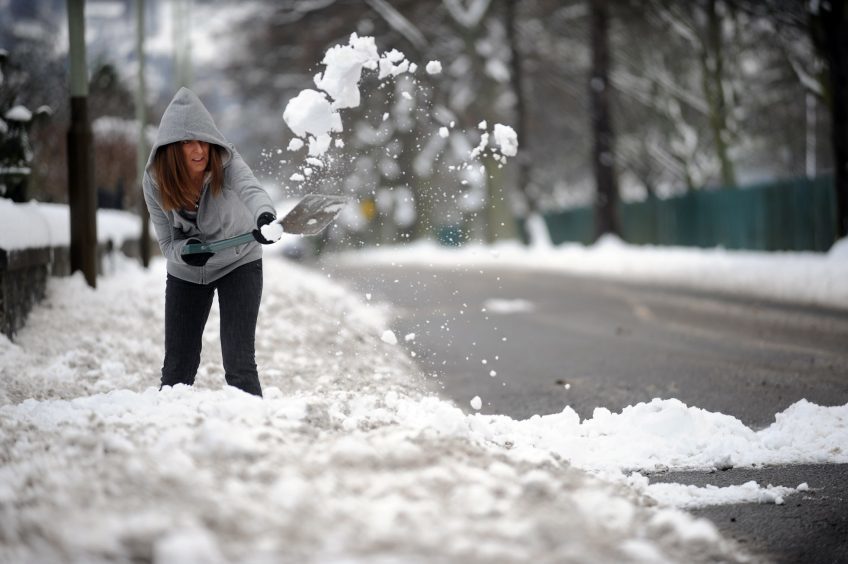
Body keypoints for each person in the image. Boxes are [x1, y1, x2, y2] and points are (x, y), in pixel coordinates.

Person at [142, 87, 278, 397]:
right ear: (171, 148)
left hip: (238, 260)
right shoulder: (154, 181)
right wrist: (184, 254)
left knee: (239, 364)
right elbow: (166, 243)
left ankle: (253, 430)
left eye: (203, 139)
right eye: (188, 142)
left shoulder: (225, 161)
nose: (199, 150)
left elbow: (252, 190)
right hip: (187, 271)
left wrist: (265, 217)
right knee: (177, 368)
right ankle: (171, 433)